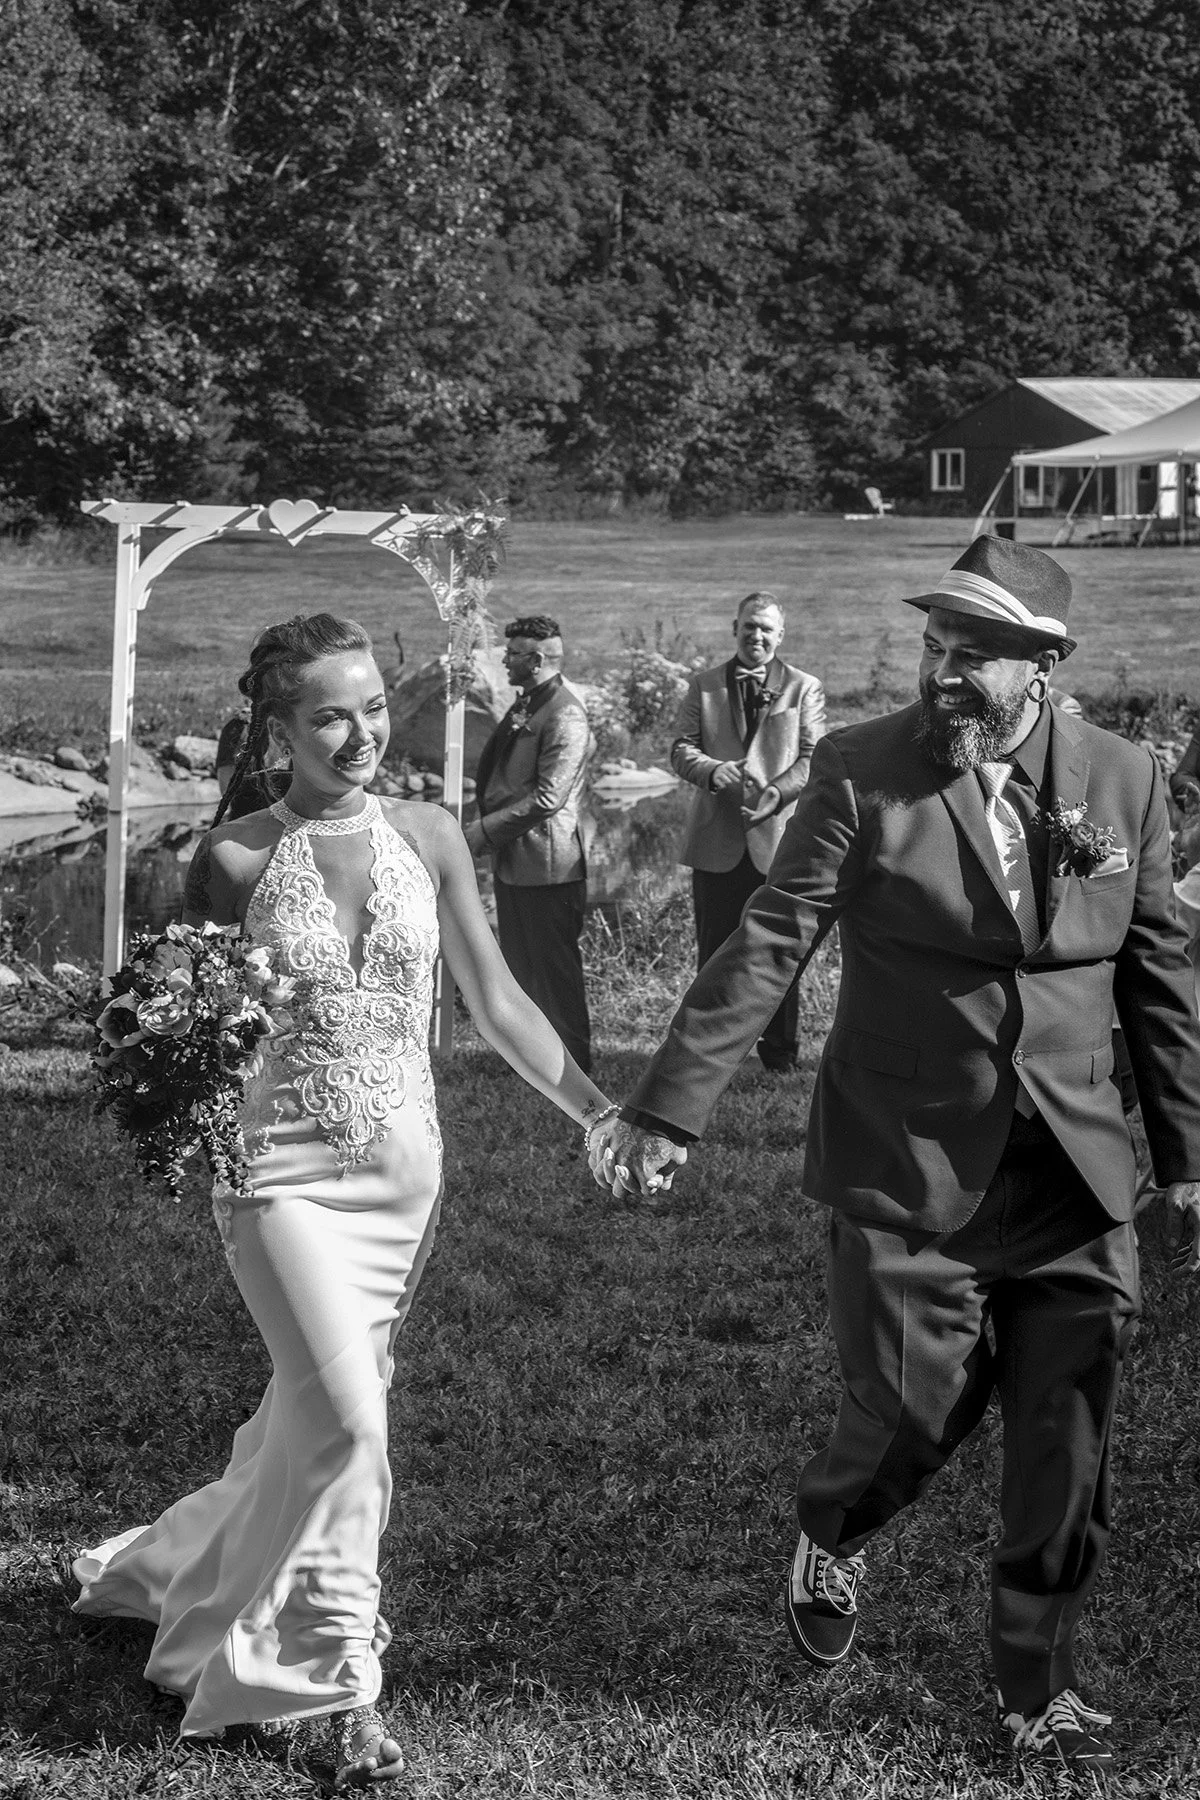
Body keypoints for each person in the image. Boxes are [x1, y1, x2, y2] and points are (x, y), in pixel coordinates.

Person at [589, 536, 1200, 1772]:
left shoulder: (1127, 777)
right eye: (934, 646)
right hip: (911, 1153)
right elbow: (774, 937)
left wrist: (1184, 1154)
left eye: (973, 652)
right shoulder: (864, 770)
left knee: (1066, 1426)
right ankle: (836, 1522)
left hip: (1076, 1166)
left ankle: (1038, 1685)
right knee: (919, 1407)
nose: (945, 672)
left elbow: (1162, 968)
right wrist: (666, 1107)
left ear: (1043, 665)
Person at [73, 613, 613, 1787]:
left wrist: (597, 1111)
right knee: (356, 1425)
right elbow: (182, 1032)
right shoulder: (231, 859)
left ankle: (180, 1570)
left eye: (374, 707)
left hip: (401, 1179)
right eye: (333, 713)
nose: (364, 731)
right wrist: (168, 1083)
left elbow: (500, 1001)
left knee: (316, 1421)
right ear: (280, 728)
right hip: (278, 1180)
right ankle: (335, 1687)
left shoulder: (430, 833)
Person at [671, 591, 825, 1072]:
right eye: (748, 626)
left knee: (776, 953)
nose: (756, 635)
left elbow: (813, 757)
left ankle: (779, 1054)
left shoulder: (803, 688)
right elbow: (680, 748)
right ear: (733, 628)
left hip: (776, 843)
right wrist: (713, 772)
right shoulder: (704, 685)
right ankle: (711, 1053)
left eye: (766, 629)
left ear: (780, 635)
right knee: (714, 951)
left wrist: (776, 794)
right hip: (716, 842)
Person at [464, 614, 594, 1073]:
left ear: (536, 659)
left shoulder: (565, 713)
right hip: (517, 861)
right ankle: (533, 1061)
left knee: (556, 975)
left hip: (550, 866)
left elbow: (549, 797)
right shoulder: (530, 704)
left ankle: (575, 1066)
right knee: (521, 968)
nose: (504, 658)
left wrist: (483, 831)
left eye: (512, 653)